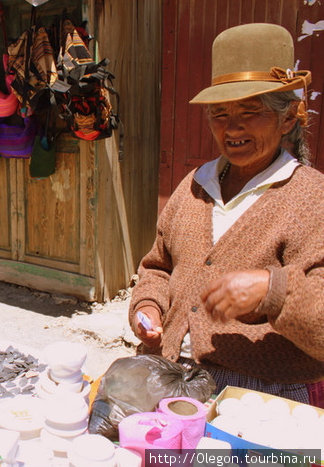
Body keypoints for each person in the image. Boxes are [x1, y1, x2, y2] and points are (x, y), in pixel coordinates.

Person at [129, 23, 324, 403]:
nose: (232, 126)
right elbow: (158, 266)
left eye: (251, 112)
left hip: (261, 394)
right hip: (170, 374)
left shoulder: (312, 199)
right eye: (219, 114)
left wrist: (274, 291)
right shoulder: (194, 185)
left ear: (287, 120)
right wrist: (149, 306)